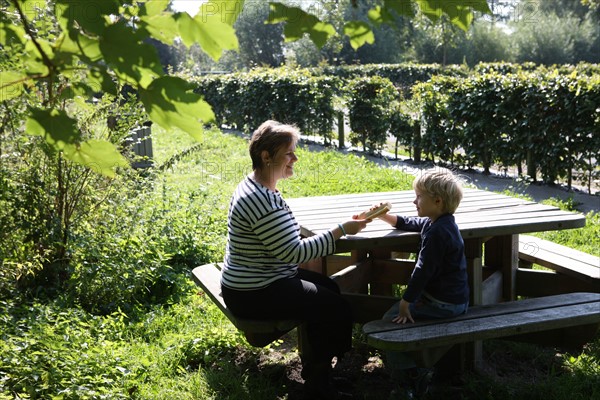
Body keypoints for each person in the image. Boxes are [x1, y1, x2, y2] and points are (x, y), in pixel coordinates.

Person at [221, 120, 371, 399]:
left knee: (331, 289)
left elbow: (285, 245)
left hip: (262, 280)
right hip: (254, 292)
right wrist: (340, 232)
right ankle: (320, 386)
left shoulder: (258, 187)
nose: (295, 158)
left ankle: (320, 373)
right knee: (334, 307)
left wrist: (338, 231)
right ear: (266, 157)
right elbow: (294, 253)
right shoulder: (260, 200)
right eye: (289, 152)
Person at [362, 168, 469, 399]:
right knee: (395, 321)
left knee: (389, 324)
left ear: (437, 201)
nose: (414, 200)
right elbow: (412, 222)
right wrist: (385, 216)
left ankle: (410, 379)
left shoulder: (437, 234)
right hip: (454, 300)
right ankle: (415, 372)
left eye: (419, 196)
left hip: (443, 303)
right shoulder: (441, 222)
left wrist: (406, 302)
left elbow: (422, 272)